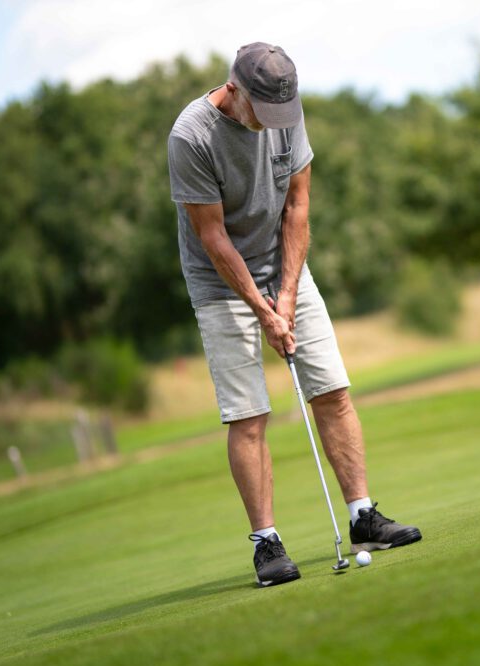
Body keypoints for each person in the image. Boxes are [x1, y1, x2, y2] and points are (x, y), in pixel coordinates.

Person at [167, 42, 421, 587]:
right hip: (220, 281)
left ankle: (363, 519)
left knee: (331, 388)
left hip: (286, 266)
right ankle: (267, 544)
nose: (273, 122)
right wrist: (262, 312)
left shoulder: (285, 110)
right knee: (248, 414)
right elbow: (213, 236)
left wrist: (285, 295)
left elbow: (298, 205)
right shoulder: (191, 137)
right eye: (262, 110)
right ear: (234, 90)